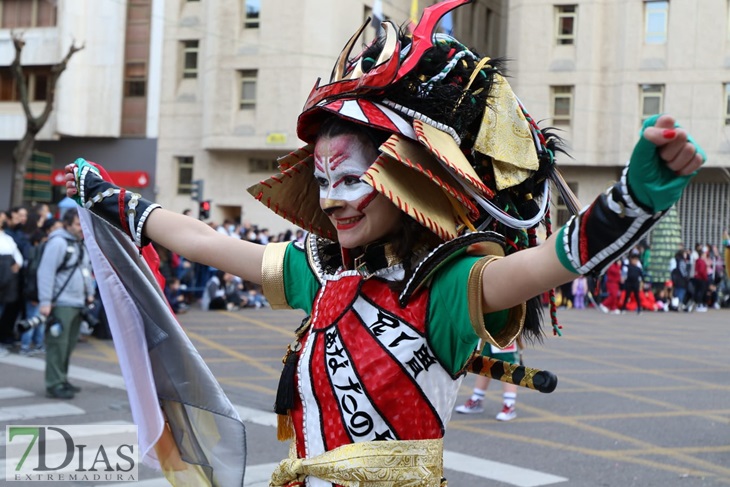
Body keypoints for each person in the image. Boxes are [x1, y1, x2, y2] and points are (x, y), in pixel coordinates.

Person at [62, 1, 705, 483]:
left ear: (401, 178)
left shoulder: (449, 286)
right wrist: (112, 198)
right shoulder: (318, 273)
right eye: (322, 181)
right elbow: (202, 239)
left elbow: (552, 260)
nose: (334, 199)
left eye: (351, 178)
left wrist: (635, 199)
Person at [37, 208, 94, 400]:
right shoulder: (58, 242)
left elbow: (86, 271)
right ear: (67, 224)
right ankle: (54, 384)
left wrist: (89, 294)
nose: (81, 229)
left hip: (78, 302)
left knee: (68, 345)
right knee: (58, 345)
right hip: (61, 303)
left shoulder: (80, 244)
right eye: (78, 224)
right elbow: (46, 272)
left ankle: (62, 379)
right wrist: (45, 301)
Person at [455, 341, 520, 421]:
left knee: (508, 366)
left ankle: (509, 405)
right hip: (486, 332)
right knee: (484, 363)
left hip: (503, 332)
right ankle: (477, 399)